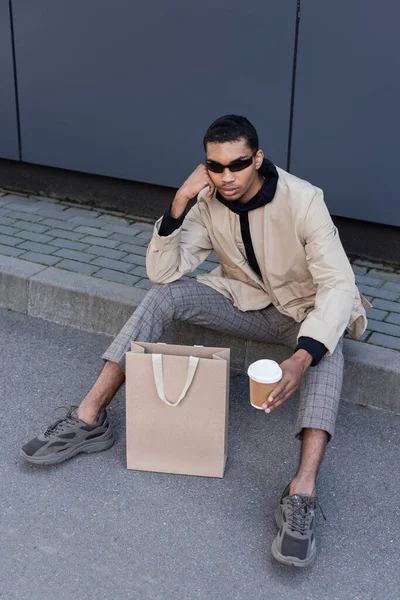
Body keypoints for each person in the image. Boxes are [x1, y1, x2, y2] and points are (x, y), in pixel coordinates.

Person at [21, 115, 369, 567]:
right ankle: (90, 418)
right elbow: (164, 271)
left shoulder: (303, 201)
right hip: (247, 304)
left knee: (328, 348)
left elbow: (339, 288)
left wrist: (302, 358)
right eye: (215, 166)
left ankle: (301, 491)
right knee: (165, 296)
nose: (227, 176)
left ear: (257, 159)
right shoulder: (207, 200)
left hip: (305, 314)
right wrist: (181, 201)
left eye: (238, 165)